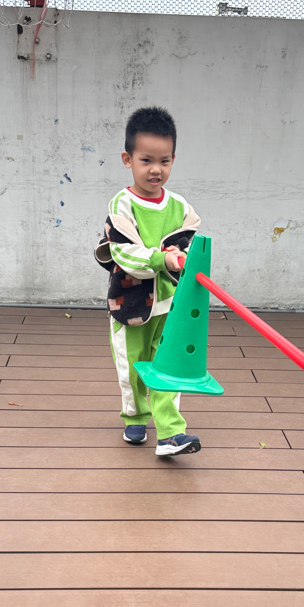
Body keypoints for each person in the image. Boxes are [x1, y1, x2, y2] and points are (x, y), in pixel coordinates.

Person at [94, 106, 202, 457]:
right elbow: (124, 253)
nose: (156, 169)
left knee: (168, 366)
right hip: (130, 303)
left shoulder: (180, 207)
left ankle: (171, 433)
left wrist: (182, 256)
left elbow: (189, 243)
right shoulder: (122, 204)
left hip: (169, 304)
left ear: (173, 160)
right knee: (132, 366)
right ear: (127, 159)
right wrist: (161, 258)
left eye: (164, 161)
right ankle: (135, 416)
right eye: (146, 160)